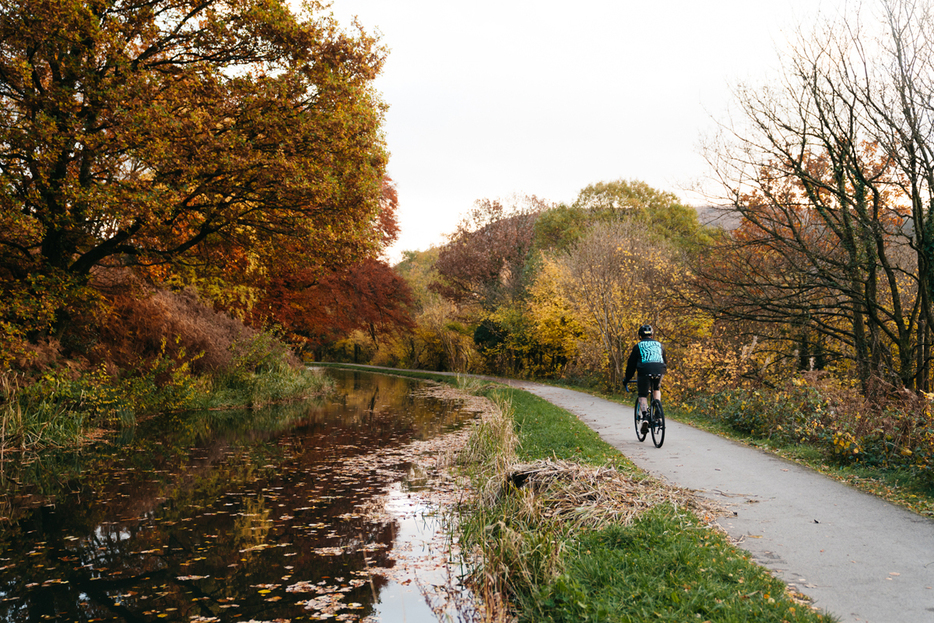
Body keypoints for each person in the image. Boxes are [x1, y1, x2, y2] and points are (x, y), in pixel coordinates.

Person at [623, 324, 668, 434]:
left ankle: (645, 417)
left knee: (642, 395)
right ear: (652, 335)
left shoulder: (638, 346)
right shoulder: (659, 345)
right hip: (660, 368)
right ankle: (658, 413)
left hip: (644, 370)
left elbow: (631, 366)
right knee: (656, 389)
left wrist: (627, 379)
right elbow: (665, 360)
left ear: (640, 336)